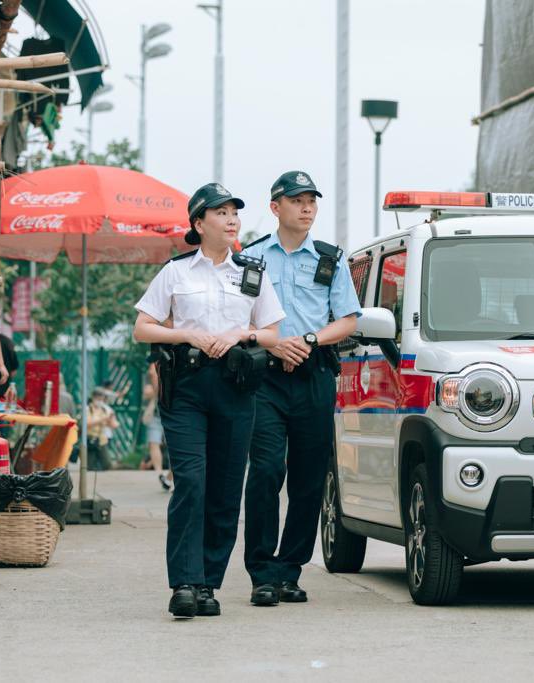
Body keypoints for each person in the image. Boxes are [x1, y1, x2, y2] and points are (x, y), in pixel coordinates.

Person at [133, 183, 284, 619]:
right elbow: (143, 328)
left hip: (237, 388)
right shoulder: (176, 273)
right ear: (199, 224)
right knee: (192, 482)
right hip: (187, 387)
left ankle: (207, 584)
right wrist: (187, 333)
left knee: (224, 489)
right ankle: (183, 581)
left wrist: (242, 333)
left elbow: (272, 333)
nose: (232, 218)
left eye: (235, 211)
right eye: (220, 213)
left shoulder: (251, 273)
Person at [240, 171, 361, 606]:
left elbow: (348, 319)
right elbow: (241, 317)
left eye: (312, 200)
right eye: (297, 200)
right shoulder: (251, 258)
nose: (307, 207)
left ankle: (289, 571)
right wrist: (276, 344)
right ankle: (261, 572)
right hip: (265, 378)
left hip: (314, 374)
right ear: (275, 207)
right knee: (267, 472)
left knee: (308, 480)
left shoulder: (330, 259)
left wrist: (308, 341)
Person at [140, 362, 171, 491]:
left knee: (158, 443)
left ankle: (164, 476)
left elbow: (151, 390)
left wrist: (157, 390)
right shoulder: (150, 374)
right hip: (160, 412)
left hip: (165, 411)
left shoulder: (165, 365)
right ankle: (164, 475)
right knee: (156, 443)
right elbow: (147, 392)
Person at [86, 389, 117, 471]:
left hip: (102, 439)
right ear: (93, 398)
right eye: (98, 399)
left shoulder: (105, 409)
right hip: (90, 439)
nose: (100, 401)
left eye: (102, 399)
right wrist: (101, 420)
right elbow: (87, 423)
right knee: (89, 465)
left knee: (107, 463)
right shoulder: (88, 409)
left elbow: (114, 424)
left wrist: (109, 420)